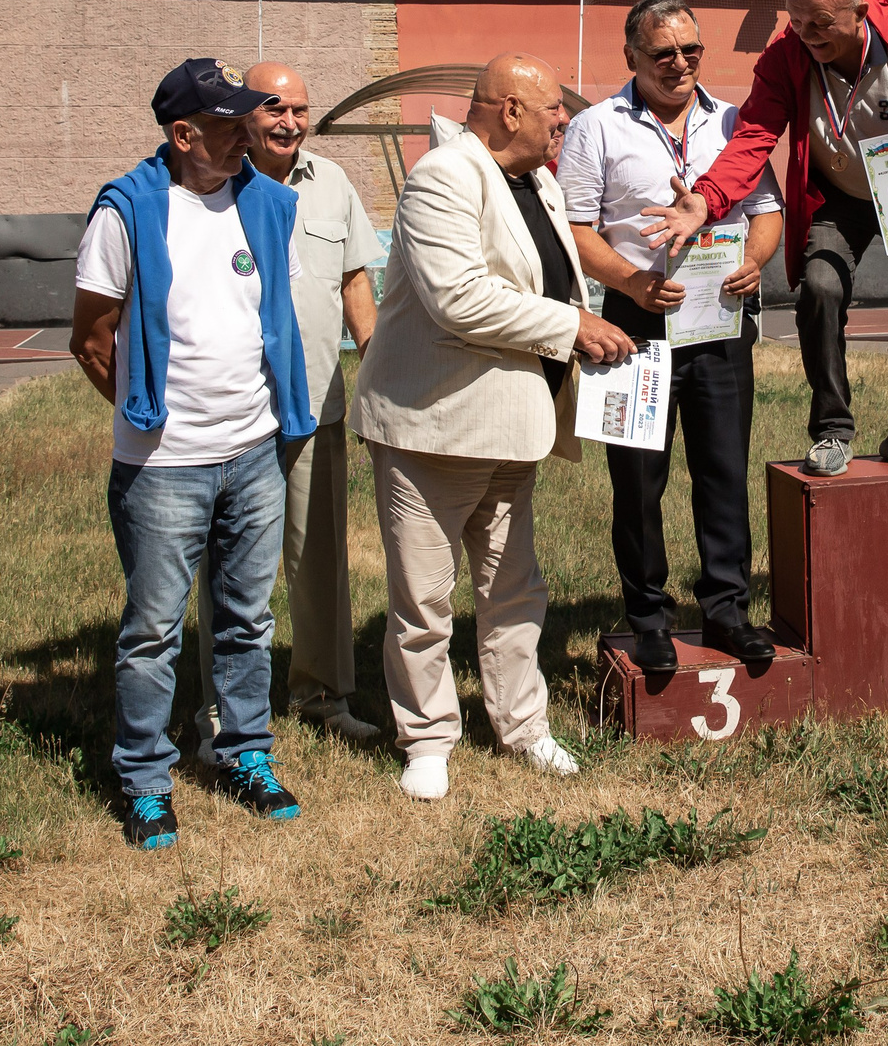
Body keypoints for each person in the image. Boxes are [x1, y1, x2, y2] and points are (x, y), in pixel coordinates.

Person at [347, 52, 637, 800]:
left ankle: (524, 726)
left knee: (514, 589)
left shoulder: (537, 181)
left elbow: (545, 278)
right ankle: (428, 738)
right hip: (432, 424)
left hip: (514, 424)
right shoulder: (444, 177)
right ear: (509, 109)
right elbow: (460, 299)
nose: (563, 124)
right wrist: (571, 326)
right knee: (425, 598)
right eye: (552, 113)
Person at [70, 58, 319, 850]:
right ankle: (144, 776)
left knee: (247, 616)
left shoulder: (269, 206)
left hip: (253, 451)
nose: (247, 133)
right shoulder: (129, 211)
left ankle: (243, 752)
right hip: (163, 464)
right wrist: (156, 420)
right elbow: (91, 339)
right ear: (182, 134)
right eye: (227, 125)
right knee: (154, 629)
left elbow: (274, 311)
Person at [645, 0, 888, 475]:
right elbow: (756, 134)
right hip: (838, 195)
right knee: (821, 287)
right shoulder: (786, 55)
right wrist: (705, 199)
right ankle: (832, 428)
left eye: (821, 24)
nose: (806, 34)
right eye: (797, 20)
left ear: (859, 13)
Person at [558, 0, 785, 676]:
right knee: (638, 479)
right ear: (631, 56)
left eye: (692, 51)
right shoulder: (596, 127)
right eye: (664, 53)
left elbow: (765, 209)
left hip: (718, 320)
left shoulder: (737, 121)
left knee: (723, 470)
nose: (680, 64)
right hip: (633, 324)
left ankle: (726, 608)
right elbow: (575, 228)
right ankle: (648, 615)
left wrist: (754, 261)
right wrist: (629, 283)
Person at [241, 61, 385, 744]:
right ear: (245, 113)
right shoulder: (214, 183)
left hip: (318, 403)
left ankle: (322, 695)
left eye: (299, 109)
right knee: (230, 560)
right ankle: (223, 700)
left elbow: (356, 281)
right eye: (274, 108)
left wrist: (379, 376)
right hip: (233, 413)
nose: (289, 122)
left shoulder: (329, 183)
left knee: (319, 557)